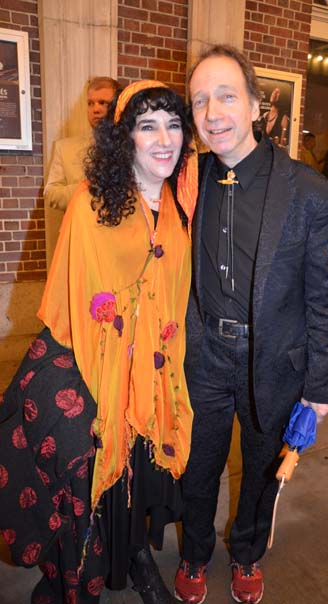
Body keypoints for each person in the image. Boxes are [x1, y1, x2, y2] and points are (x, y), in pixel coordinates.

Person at [0, 80, 197, 604]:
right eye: (147, 126)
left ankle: (136, 557)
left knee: (142, 474)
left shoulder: (178, 209)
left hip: (151, 366)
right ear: (125, 137)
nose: (163, 139)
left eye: (173, 125)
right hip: (88, 359)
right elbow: (75, 302)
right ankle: (79, 570)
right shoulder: (92, 204)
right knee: (87, 470)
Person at [173, 44, 328, 604]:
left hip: (273, 360)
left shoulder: (310, 193)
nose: (212, 112)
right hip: (202, 357)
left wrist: (322, 382)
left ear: (255, 106)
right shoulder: (184, 179)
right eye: (200, 101)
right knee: (197, 468)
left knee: (263, 469)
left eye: (226, 96)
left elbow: (323, 296)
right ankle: (194, 553)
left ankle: (247, 552)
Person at [44, 76, 120, 212]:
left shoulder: (133, 147)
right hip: (80, 230)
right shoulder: (64, 148)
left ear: (117, 107)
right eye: (90, 103)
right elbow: (51, 194)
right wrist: (88, 188)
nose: (95, 109)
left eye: (103, 103)